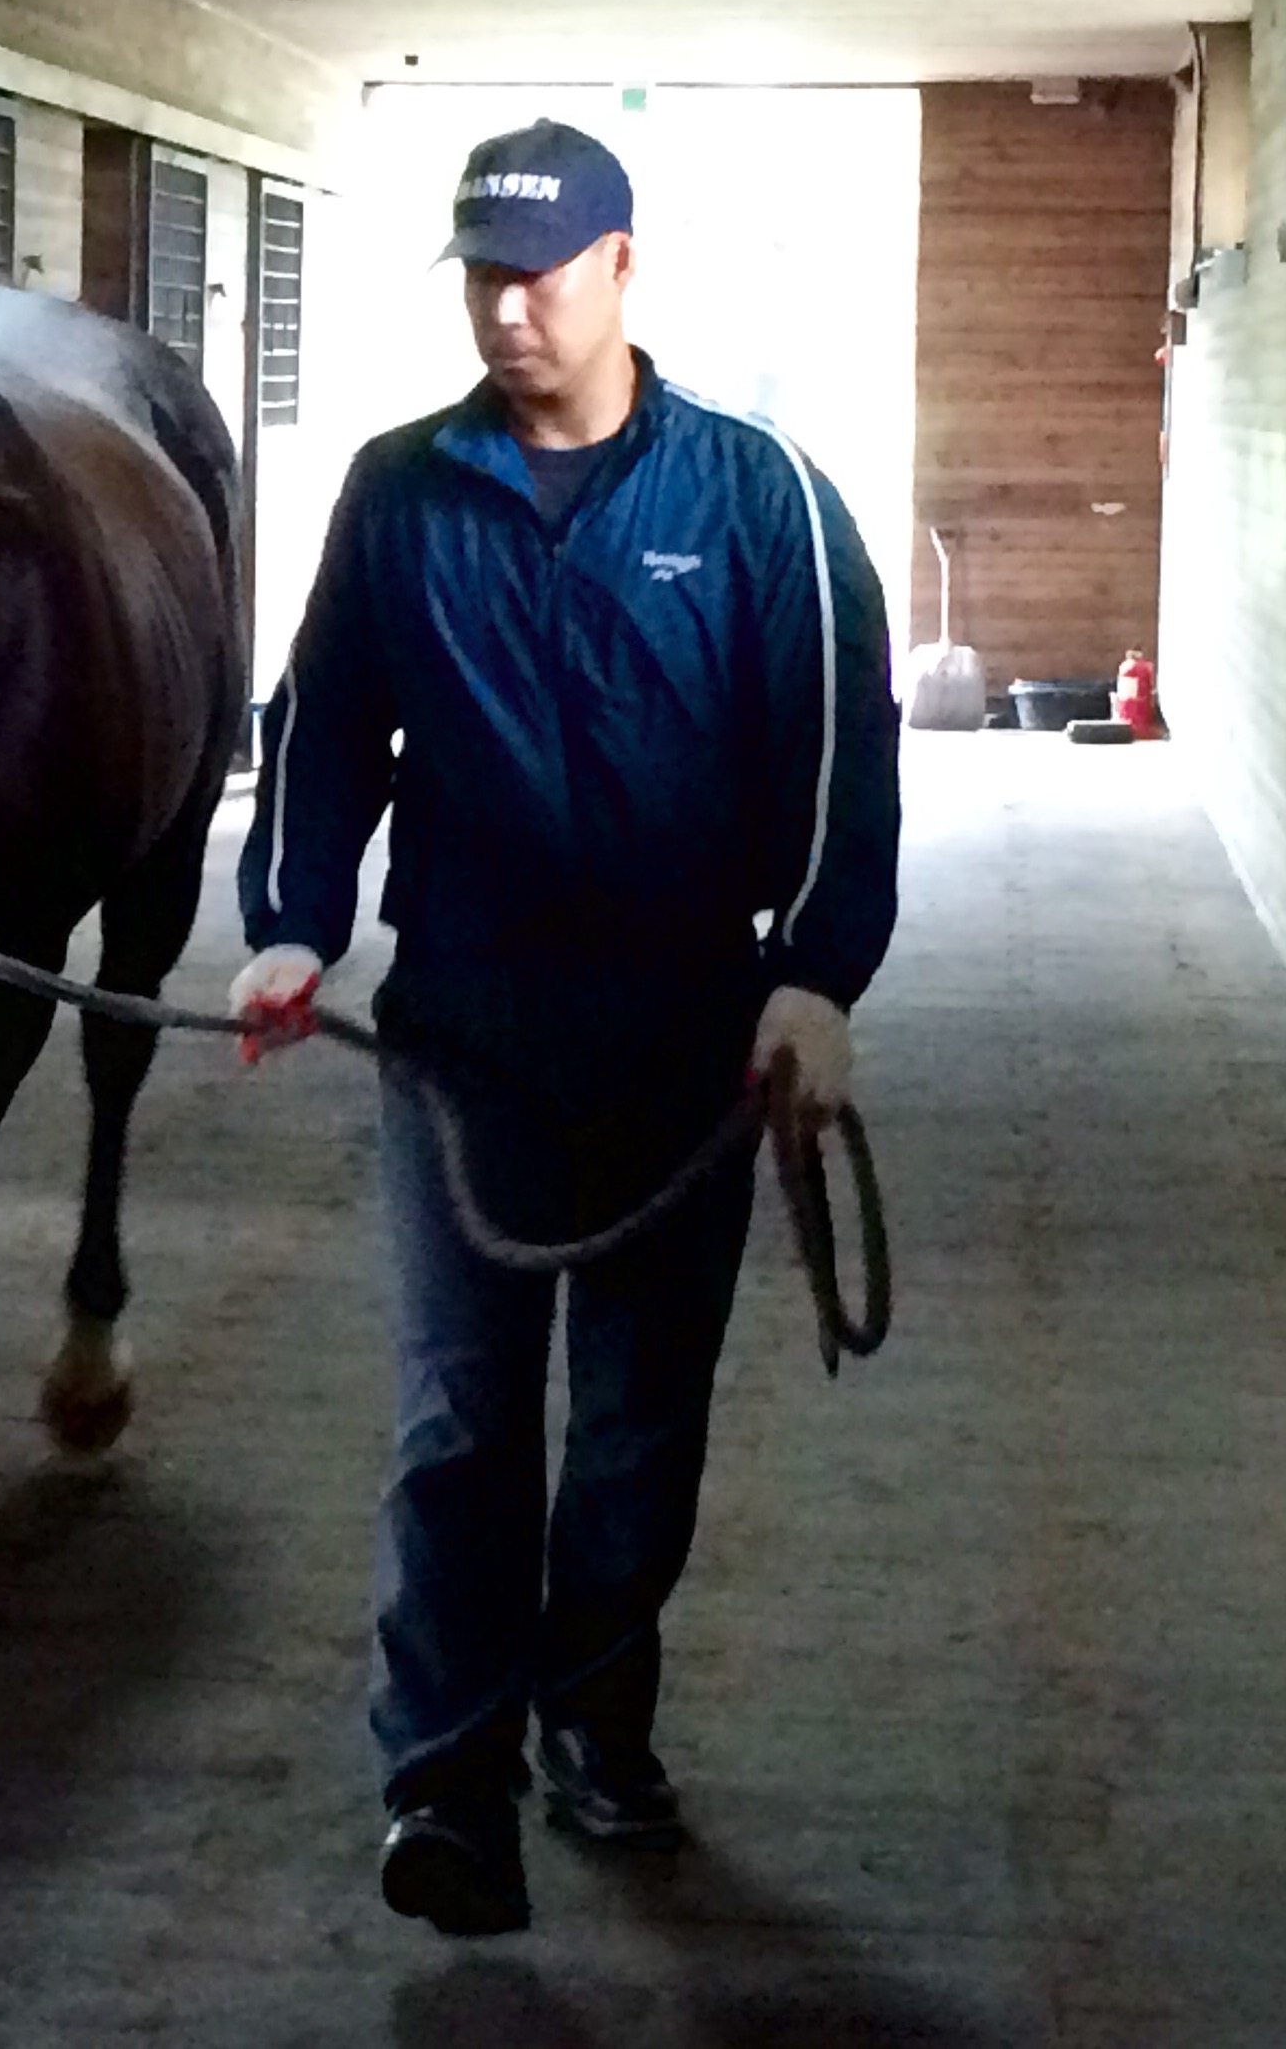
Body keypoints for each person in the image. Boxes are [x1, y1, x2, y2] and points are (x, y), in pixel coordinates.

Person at [232, 118, 900, 1937]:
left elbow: (840, 758)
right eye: (480, 275)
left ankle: (596, 1717)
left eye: (541, 272)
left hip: (689, 1028)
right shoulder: (400, 493)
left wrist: (814, 977)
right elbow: (319, 734)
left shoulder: (758, 503)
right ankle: (443, 1782)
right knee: (460, 1416)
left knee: (636, 1420)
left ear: (624, 269)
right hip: (469, 1029)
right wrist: (290, 932)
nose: (507, 308)